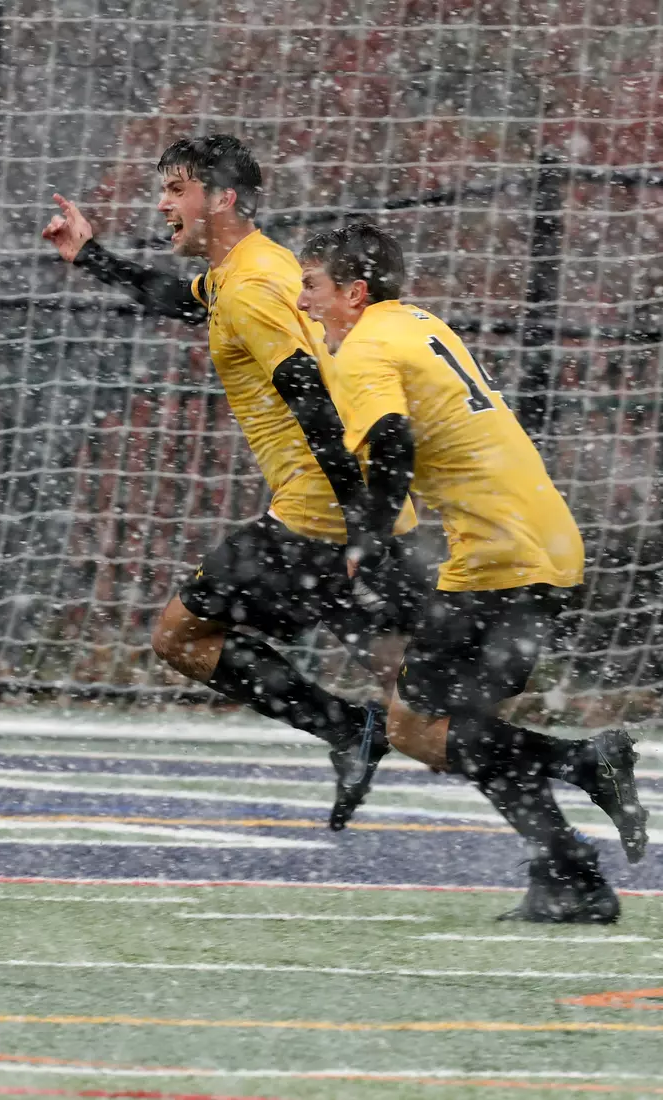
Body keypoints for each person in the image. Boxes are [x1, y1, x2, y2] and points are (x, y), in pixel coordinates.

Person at [42, 135, 425, 827]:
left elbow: (309, 392)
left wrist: (354, 524)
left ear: (221, 199)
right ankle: (555, 789)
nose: (163, 202)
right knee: (412, 683)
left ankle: (352, 730)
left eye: (177, 189)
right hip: (351, 502)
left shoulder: (250, 286)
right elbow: (181, 298)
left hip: (318, 510)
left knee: (180, 637)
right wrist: (89, 256)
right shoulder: (255, 266)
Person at [295, 221, 647, 923]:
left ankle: (586, 766)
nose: (305, 304)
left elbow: (392, 440)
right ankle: (569, 874)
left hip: (499, 559)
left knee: (414, 727)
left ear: (355, 293)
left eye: (314, 287)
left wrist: (366, 535)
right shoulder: (418, 323)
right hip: (543, 543)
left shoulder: (363, 347)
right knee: (462, 729)